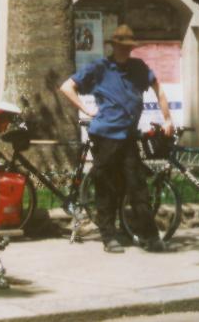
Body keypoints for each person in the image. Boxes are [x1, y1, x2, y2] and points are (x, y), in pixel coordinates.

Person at [59, 24, 174, 254]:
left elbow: (158, 89)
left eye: (128, 46)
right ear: (115, 47)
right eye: (122, 46)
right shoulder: (100, 68)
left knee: (137, 186)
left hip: (129, 137)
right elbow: (67, 87)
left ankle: (150, 237)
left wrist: (168, 119)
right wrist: (86, 110)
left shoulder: (138, 68)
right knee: (107, 187)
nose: (126, 50)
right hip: (105, 137)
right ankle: (109, 237)